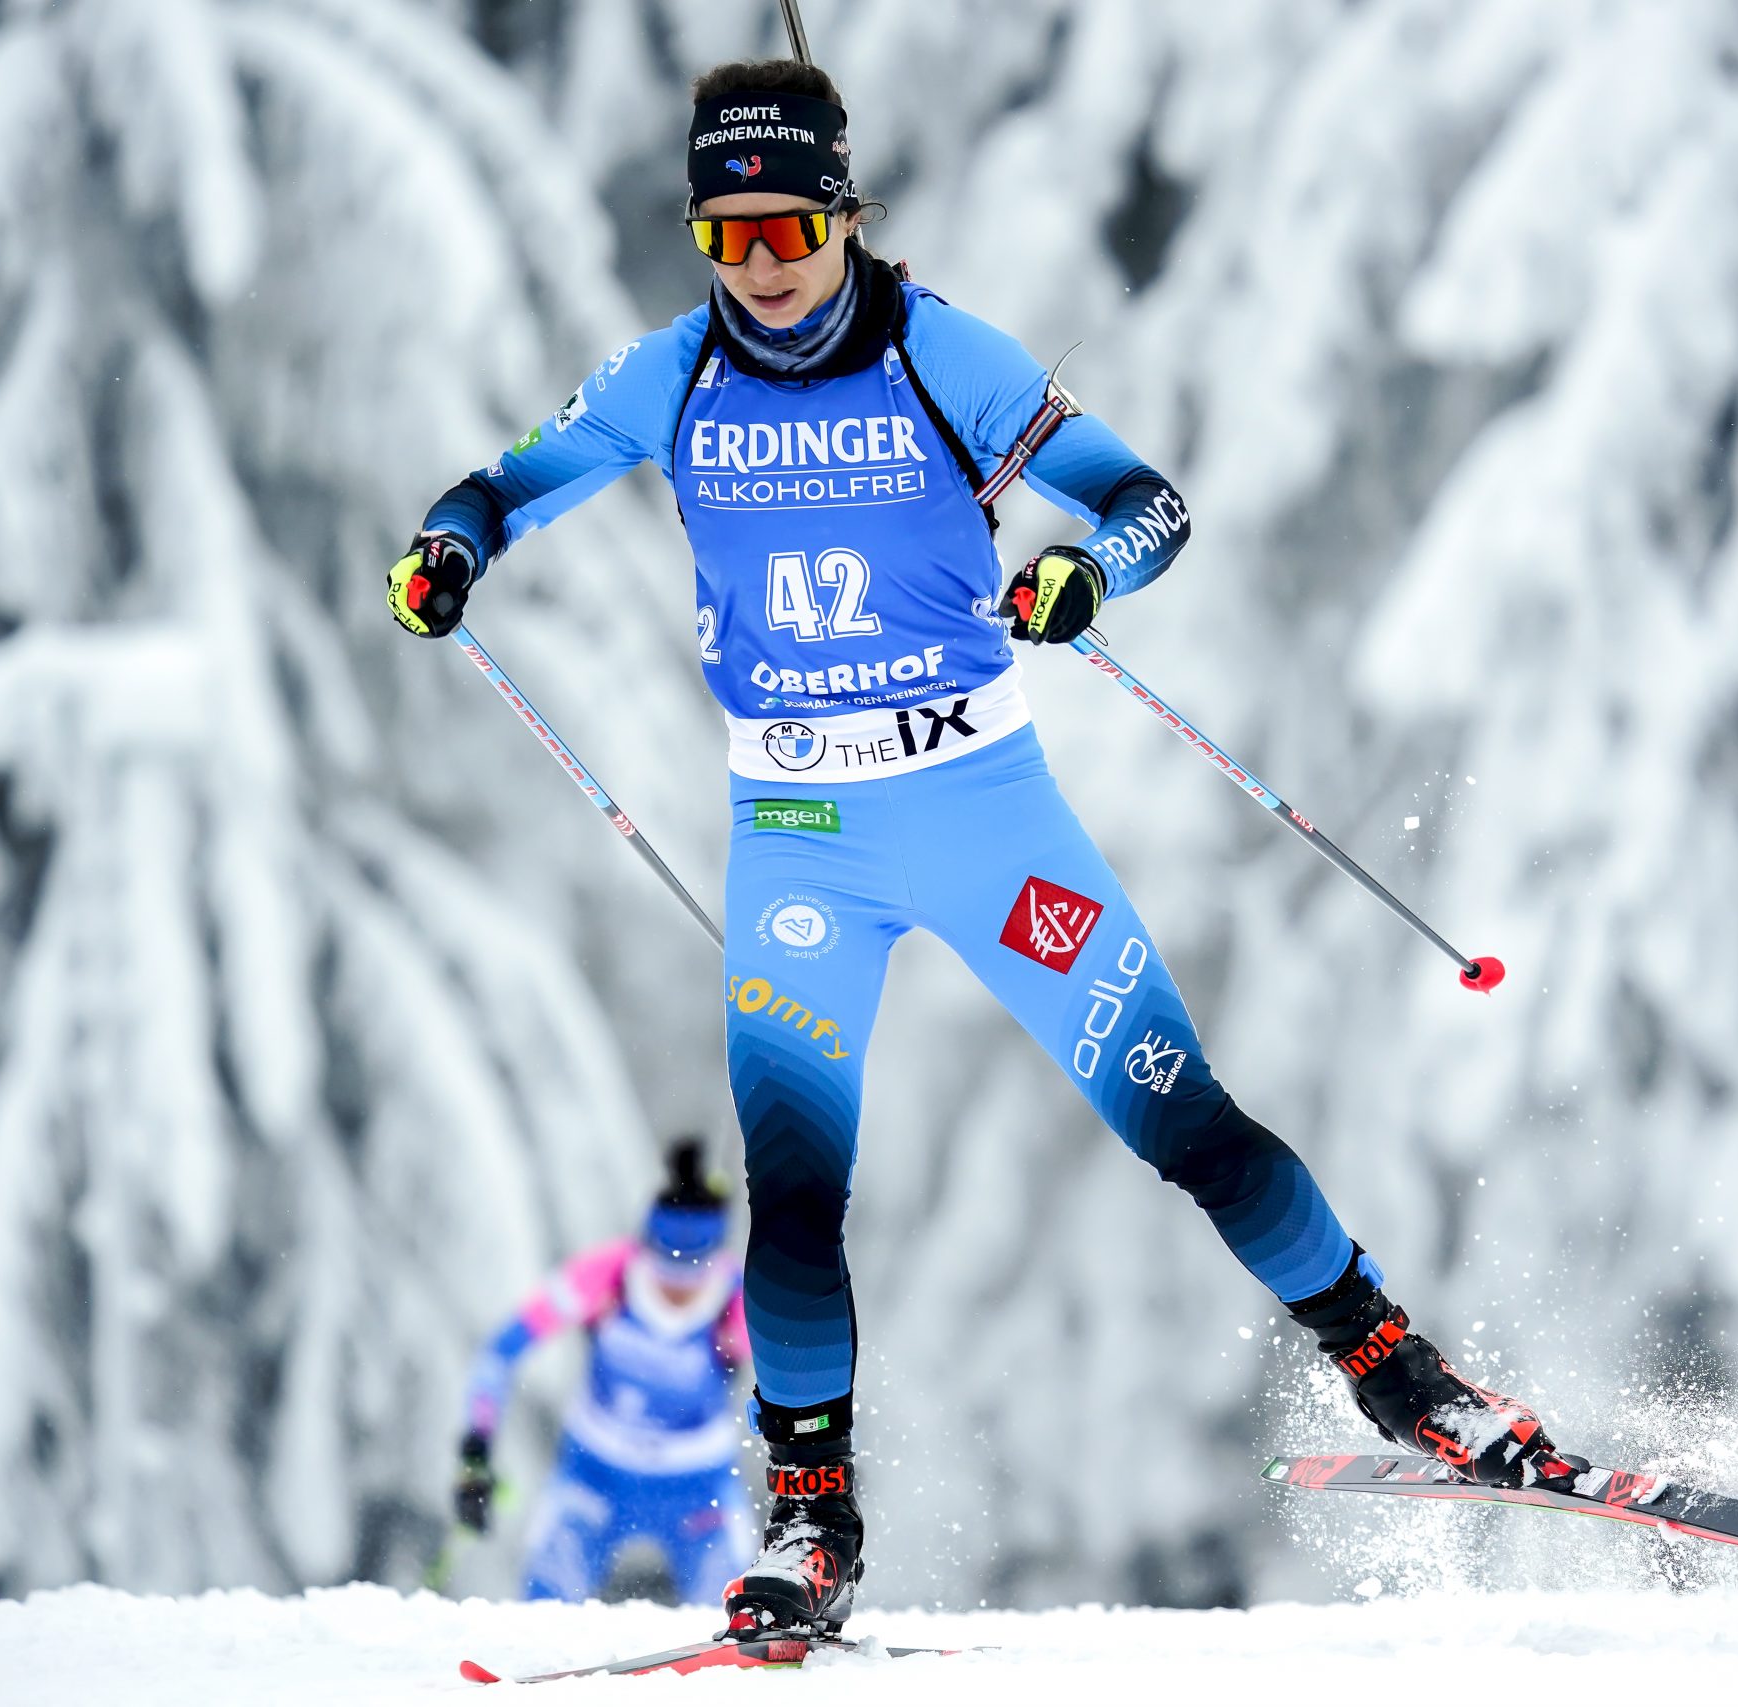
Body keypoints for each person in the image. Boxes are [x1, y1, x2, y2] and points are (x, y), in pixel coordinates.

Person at [392, 57, 1578, 1639]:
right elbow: (506, 483)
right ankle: (811, 1524)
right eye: (726, 239)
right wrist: (455, 542)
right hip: (801, 837)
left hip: (982, 817)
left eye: (790, 231)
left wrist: (1086, 571)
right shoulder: (670, 378)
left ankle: (1407, 1377)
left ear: (843, 214)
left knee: (1185, 1122)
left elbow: (1148, 504)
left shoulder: (944, 353)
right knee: (796, 1194)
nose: (763, 268)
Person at [453, 1140, 753, 1604]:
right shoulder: (605, 1274)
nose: (677, 1296)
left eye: (692, 1280)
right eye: (665, 1275)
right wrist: (476, 1451)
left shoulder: (741, 1299)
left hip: (699, 1487)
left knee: (737, 1599)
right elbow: (500, 1353)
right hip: (594, 1475)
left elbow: (803, 1386)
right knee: (547, 1585)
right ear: (646, 1249)